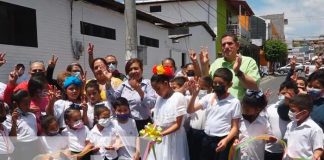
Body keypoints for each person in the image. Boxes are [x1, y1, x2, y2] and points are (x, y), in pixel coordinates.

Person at [187, 68, 241, 160]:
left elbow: (235, 128)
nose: (217, 85)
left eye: (221, 84)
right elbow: (190, 110)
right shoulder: (209, 97)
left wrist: (226, 140)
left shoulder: (234, 102)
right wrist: (194, 95)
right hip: (207, 138)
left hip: (223, 140)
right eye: (215, 83)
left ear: (230, 84)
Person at [202, 33, 260, 100]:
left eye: (230, 43)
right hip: (219, 106)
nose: (226, 46)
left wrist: (238, 71)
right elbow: (208, 84)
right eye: (223, 44)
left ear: (237, 45)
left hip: (239, 108)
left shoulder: (248, 62)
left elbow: (254, 87)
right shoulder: (216, 63)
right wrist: (204, 66)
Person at [149, 64, 189, 160]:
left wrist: (161, 134)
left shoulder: (178, 97)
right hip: (160, 137)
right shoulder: (159, 98)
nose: (157, 92)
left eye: (158, 88)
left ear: (166, 83)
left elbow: (178, 125)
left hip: (173, 138)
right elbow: (157, 119)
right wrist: (150, 131)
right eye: (155, 90)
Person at [106, 58, 156, 131]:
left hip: (144, 124)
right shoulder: (123, 85)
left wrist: (138, 89)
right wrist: (108, 83)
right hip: (126, 123)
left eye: (136, 68)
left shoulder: (147, 84)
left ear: (141, 70)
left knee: (144, 142)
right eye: (130, 69)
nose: (133, 71)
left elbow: (152, 104)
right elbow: (113, 100)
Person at [265, 80, 298, 160]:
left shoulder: (297, 111)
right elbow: (264, 127)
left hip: (289, 153)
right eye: (283, 93)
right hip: (270, 150)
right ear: (278, 93)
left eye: (289, 94)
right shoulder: (270, 108)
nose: (285, 96)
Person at [236, 90, 274, 160]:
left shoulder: (264, 123)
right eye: (242, 107)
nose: (244, 110)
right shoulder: (238, 120)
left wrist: (270, 139)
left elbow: (269, 136)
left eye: (247, 110)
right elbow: (234, 134)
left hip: (256, 157)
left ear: (258, 110)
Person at [284, 94, 323, 159]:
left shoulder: (314, 129)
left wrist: (315, 156)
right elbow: (286, 140)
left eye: (293, 110)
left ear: (304, 112)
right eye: (290, 109)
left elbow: (319, 148)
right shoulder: (291, 124)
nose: (290, 112)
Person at [10, 90, 42, 160]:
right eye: (25, 104)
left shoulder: (32, 115)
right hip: (22, 147)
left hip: (35, 145)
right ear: (16, 104)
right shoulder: (11, 118)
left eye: (29, 103)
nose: (28, 106)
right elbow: (12, 138)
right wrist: (14, 122)